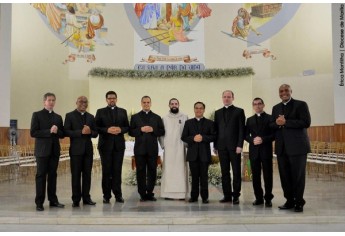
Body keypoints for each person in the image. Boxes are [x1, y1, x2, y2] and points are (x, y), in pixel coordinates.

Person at [270, 84, 311, 213]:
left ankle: (299, 202)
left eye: (286, 90)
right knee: (285, 176)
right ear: (279, 93)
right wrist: (276, 123)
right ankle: (289, 200)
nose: (284, 93)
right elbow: (272, 125)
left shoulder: (301, 104)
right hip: (281, 148)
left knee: (298, 176)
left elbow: (306, 122)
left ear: (291, 91)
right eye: (281, 91)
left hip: (298, 147)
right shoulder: (275, 108)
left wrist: (286, 122)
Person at [30, 92, 65, 211]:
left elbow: (62, 134)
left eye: (53, 100)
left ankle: (53, 200)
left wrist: (57, 132)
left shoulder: (58, 117)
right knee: (41, 176)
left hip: (54, 151)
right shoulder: (37, 115)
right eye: (49, 100)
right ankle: (39, 202)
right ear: (44, 101)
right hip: (42, 151)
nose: (51, 102)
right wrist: (49, 131)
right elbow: (33, 132)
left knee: (53, 176)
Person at [95, 91, 129, 204]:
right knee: (106, 171)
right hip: (105, 146)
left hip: (118, 146)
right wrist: (107, 130)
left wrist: (120, 130)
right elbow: (96, 127)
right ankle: (106, 195)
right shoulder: (100, 112)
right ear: (106, 100)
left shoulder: (123, 111)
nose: (112, 100)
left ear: (116, 99)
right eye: (109, 98)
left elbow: (127, 127)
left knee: (117, 171)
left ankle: (118, 195)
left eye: (113, 98)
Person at [64, 96, 98, 207]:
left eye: (85, 102)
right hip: (75, 151)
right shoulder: (69, 116)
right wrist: (80, 132)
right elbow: (66, 132)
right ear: (76, 103)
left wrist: (90, 132)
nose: (83, 103)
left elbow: (96, 133)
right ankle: (76, 199)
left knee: (87, 175)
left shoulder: (91, 116)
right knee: (76, 175)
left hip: (88, 151)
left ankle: (86, 198)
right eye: (81, 102)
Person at [129, 96, 165, 201]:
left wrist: (153, 130)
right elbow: (131, 132)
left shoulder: (157, 117)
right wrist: (140, 129)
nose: (146, 104)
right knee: (140, 171)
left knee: (152, 171)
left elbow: (162, 132)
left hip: (152, 149)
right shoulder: (135, 117)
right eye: (144, 102)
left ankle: (150, 192)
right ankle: (142, 193)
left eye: (148, 102)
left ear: (150, 103)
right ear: (141, 103)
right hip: (139, 149)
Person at [214, 90, 246, 204]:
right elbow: (216, 131)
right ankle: (227, 195)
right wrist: (215, 146)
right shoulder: (217, 113)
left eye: (229, 97)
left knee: (236, 171)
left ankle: (236, 195)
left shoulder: (239, 111)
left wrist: (240, 145)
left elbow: (242, 129)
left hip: (234, 147)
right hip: (222, 147)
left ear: (233, 98)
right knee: (224, 172)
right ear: (222, 98)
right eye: (224, 97)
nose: (226, 98)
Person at [181, 102, 216, 204]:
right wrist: (193, 138)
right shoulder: (188, 123)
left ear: (204, 110)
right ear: (194, 109)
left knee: (204, 177)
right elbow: (183, 137)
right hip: (192, 154)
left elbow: (214, 136)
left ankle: (205, 197)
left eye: (201, 108)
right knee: (194, 177)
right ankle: (194, 197)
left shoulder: (210, 123)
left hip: (204, 154)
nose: (198, 110)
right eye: (196, 108)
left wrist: (203, 138)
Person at [245, 97, 274, 207]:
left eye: (259, 104)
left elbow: (274, 134)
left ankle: (268, 198)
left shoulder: (270, 118)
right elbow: (246, 135)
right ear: (253, 106)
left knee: (268, 176)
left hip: (266, 150)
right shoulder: (249, 119)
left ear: (263, 105)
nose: (257, 106)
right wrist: (252, 140)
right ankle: (258, 198)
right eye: (255, 104)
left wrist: (263, 139)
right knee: (255, 176)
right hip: (254, 151)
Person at [159, 98, 188, 200]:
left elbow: (187, 132)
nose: (174, 105)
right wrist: (163, 145)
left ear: (179, 104)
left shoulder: (184, 117)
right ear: (169, 105)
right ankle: (168, 194)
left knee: (181, 170)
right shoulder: (164, 118)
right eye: (172, 104)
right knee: (168, 170)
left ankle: (181, 195)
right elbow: (161, 134)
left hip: (180, 148)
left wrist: (186, 145)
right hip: (169, 148)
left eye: (176, 103)